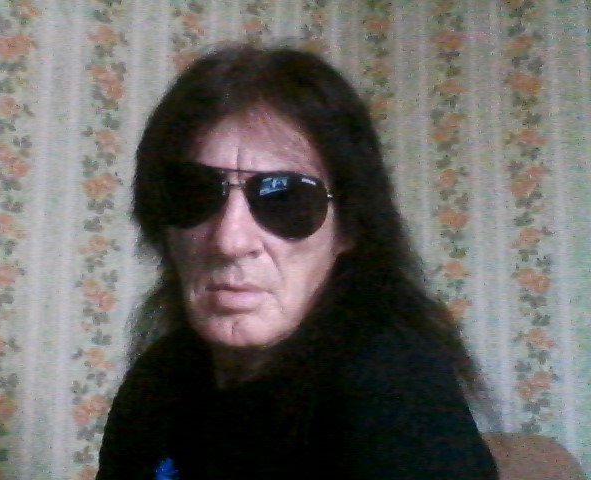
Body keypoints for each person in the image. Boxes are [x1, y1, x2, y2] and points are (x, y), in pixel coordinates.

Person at [96, 44, 499, 479]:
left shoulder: (397, 387)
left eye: (285, 199)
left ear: (349, 228)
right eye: (194, 193)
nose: (230, 241)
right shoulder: (159, 382)